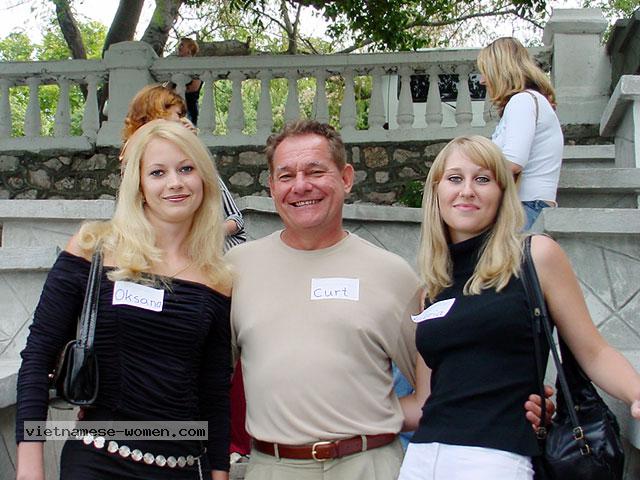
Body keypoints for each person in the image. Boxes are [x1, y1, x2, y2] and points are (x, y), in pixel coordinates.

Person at [398, 135, 640, 480]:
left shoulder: (534, 256)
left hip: (495, 459)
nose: (467, 190)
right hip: (421, 459)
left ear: (502, 192)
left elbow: (594, 351)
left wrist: (636, 392)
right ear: (436, 191)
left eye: (482, 179)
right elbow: (424, 401)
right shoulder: (432, 288)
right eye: (454, 178)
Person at [15, 120, 232, 479]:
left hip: (180, 467)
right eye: (158, 172)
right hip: (98, 464)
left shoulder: (218, 278)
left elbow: (214, 390)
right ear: (139, 185)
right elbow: (38, 356)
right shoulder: (92, 248)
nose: (175, 182)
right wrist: (29, 466)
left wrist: (219, 473)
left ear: (205, 179)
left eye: (186, 169)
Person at [226, 120, 424, 480]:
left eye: (315, 171)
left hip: (369, 465)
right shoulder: (237, 269)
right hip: (273, 468)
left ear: (346, 178)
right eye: (286, 176)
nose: (301, 186)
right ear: (272, 186)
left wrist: (370, 416)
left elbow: (437, 390)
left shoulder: (392, 274)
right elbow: (201, 376)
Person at [122, 83, 247, 251]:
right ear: (159, 113)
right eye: (178, 114)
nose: (183, 120)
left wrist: (205, 234)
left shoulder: (196, 164)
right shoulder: (133, 160)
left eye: (186, 169)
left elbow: (236, 219)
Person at [477, 37, 564, 230]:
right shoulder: (528, 101)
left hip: (526, 209)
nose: (482, 80)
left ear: (500, 71)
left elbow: (513, 162)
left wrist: (471, 176)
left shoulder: (522, 101)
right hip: (528, 207)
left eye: (485, 71)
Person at [177, 37, 203, 126]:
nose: (179, 47)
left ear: (189, 50)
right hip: (175, 106)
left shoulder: (196, 65)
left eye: (182, 45)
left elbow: (194, 87)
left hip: (189, 107)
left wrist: (175, 91)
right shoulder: (176, 65)